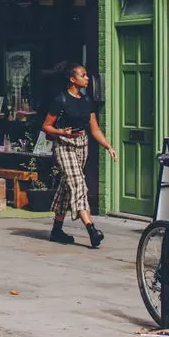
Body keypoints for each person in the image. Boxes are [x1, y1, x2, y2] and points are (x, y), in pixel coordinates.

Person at [40, 64, 118, 247]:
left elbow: (95, 129)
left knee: (68, 186)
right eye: (83, 75)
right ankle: (92, 230)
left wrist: (108, 146)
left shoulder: (86, 101)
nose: (87, 78)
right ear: (72, 79)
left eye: (87, 75)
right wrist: (62, 132)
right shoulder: (60, 100)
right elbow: (46, 126)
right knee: (78, 184)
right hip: (64, 146)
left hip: (82, 146)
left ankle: (56, 231)